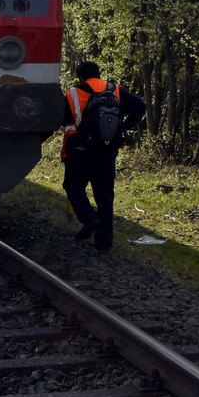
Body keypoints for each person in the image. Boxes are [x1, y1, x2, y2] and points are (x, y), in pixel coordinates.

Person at [61, 61, 146, 253]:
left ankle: (90, 219)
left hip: (80, 151)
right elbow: (141, 105)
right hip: (107, 151)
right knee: (105, 197)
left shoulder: (73, 93)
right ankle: (104, 243)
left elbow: (63, 120)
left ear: (80, 77)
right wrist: (125, 126)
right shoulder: (115, 90)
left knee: (73, 187)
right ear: (98, 74)